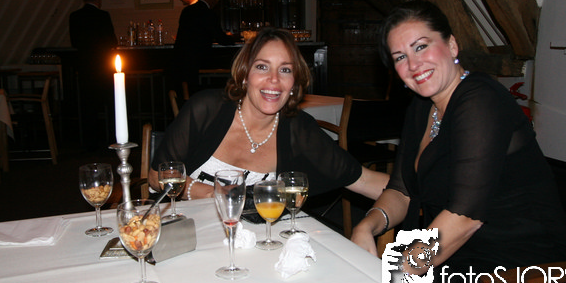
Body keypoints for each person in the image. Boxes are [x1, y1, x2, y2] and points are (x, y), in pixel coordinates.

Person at [351, 1, 566, 283]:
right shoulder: (422, 107)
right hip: (461, 265)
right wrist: (367, 225)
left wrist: (395, 277)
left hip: (524, 278)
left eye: (421, 46)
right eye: (400, 57)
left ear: (452, 45)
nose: (413, 64)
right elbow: (402, 189)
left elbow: (465, 218)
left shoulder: (480, 99)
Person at [150, 27, 389, 202]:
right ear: (245, 75)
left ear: (294, 83)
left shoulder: (298, 129)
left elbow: (364, 180)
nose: (273, 79)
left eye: (285, 70)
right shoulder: (206, 109)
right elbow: (155, 176)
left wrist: (408, 196)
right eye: (262, 67)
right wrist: (216, 195)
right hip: (186, 231)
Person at [68, 0, 118, 150]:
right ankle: (111, 139)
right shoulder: (103, 16)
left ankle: (90, 143)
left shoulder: (75, 16)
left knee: (88, 107)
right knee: (110, 106)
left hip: (85, 68)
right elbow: (112, 41)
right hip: (103, 67)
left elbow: (75, 42)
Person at [170, 0, 236, 95]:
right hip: (200, 62)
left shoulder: (186, 11)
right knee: (202, 91)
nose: (216, 1)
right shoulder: (209, 13)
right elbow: (221, 38)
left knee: (187, 93)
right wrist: (235, 38)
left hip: (182, 61)